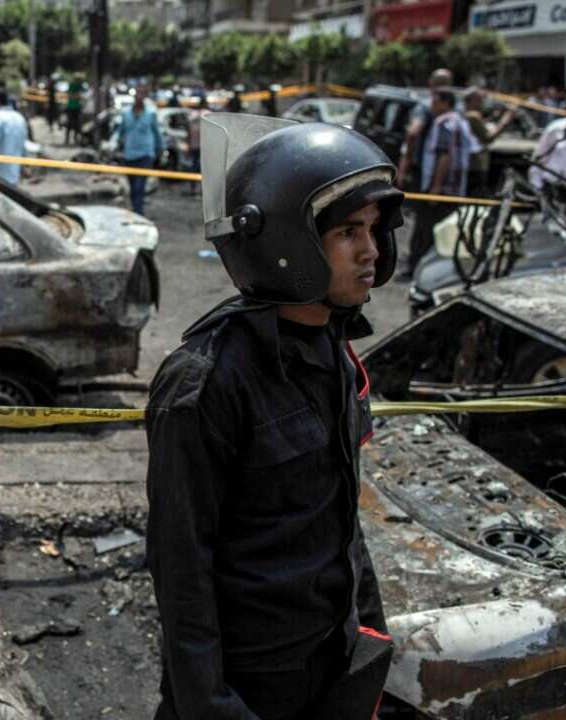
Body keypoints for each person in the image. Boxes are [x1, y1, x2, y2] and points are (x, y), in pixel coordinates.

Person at [147, 113, 400, 720]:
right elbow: (182, 572)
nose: (369, 251)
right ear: (286, 242)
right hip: (254, 680)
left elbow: (340, 518)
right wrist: (212, 706)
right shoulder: (206, 382)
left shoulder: (332, 349)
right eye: (347, 233)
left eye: (372, 230)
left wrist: (370, 633)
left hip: (331, 661)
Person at [405, 89, 470, 278]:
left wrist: (435, 187)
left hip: (441, 189)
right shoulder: (460, 121)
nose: (431, 105)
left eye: (434, 101)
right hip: (454, 188)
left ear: (445, 103)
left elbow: (444, 156)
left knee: (425, 230)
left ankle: (418, 270)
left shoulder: (444, 123)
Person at [397, 68, 453, 191]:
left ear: (431, 83)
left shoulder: (424, 106)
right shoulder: (455, 108)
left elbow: (412, 133)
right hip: (449, 172)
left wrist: (405, 167)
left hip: (424, 170)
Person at [112, 85, 164, 216]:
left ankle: (139, 213)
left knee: (139, 186)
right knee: (133, 187)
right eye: (137, 95)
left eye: (142, 95)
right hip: (129, 155)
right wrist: (112, 142)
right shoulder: (125, 113)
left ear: (145, 97)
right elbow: (119, 131)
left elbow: (156, 132)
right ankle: (136, 210)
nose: (139, 97)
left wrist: (161, 148)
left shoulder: (151, 113)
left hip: (146, 154)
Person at [462, 88, 515, 195]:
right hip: (476, 164)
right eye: (479, 99)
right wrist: (505, 120)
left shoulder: (467, 114)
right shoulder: (472, 116)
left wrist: (495, 117)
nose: (482, 101)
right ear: (472, 100)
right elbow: (488, 138)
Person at [64, 74, 85, 145]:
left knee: (77, 124)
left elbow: (82, 95)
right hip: (71, 107)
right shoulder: (72, 85)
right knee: (70, 124)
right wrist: (77, 96)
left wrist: (77, 96)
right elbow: (70, 95)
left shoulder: (80, 86)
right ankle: (67, 139)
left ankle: (75, 139)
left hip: (77, 107)